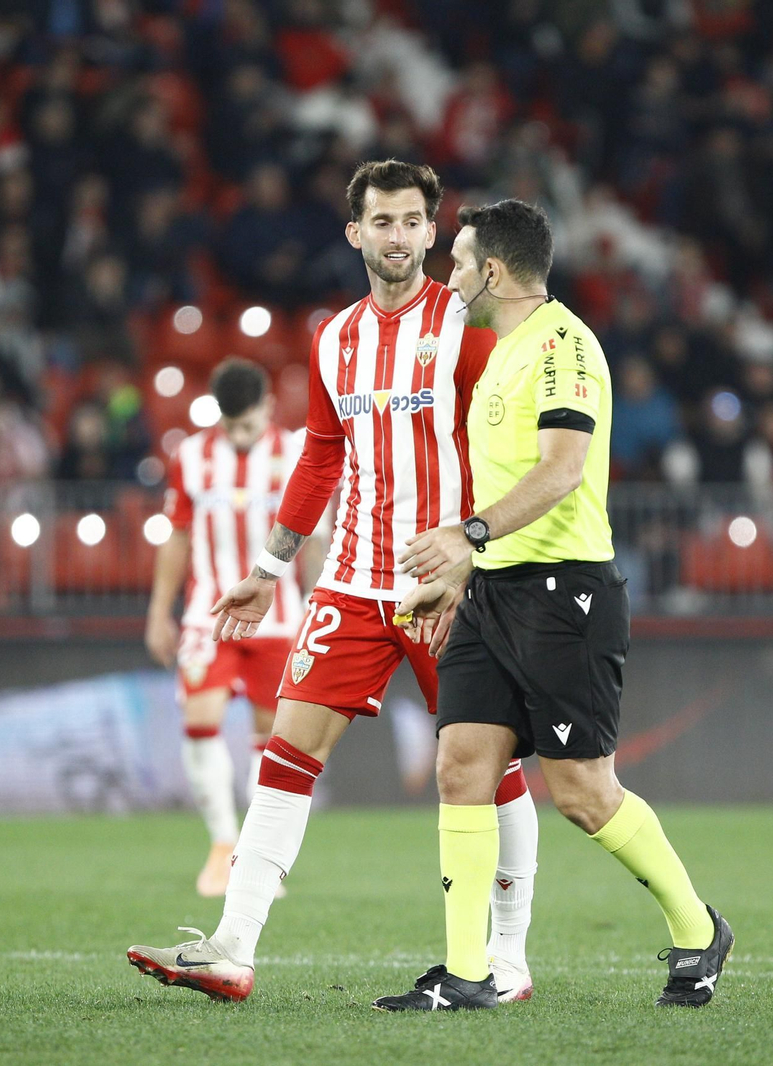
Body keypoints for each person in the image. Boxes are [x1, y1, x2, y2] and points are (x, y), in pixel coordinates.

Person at [127, 160, 541, 1004]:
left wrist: (474, 556)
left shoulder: (468, 331)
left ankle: (508, 956)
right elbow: (321, 454)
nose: (397, 236)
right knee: (285, 754)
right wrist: (269, 568)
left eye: (412, 221)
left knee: (487, 768)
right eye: (380, 221)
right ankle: (233, 946)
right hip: (351, 582)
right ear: (354, 233)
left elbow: (509, 452)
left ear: (434, 231)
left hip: (445, 589)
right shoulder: (334, 338)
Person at [371, 199, 732, 1012]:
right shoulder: (498, 351)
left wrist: (466, 535)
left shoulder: (564, 345)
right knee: (462, 764)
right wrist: (465, 570)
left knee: (580, 791)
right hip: (496, 591)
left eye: (458, 261)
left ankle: (696, 929)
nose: (448, 274)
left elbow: (563, 469)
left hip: (566, 595)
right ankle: (468, 972)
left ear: (492, 271)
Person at [145, 358, 323, 896]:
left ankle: (253, 852)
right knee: (201, 718)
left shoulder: (297, 452)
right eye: (230, 426)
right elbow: (176, 535)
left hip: (283, 614)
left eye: (248, 425)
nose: (239, 437)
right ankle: (222, 844)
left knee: (273, 737)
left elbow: (313, 536)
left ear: (269, 405)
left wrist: (317, 601)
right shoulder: (191, 456)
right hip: (211, 611)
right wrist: (159, 611)